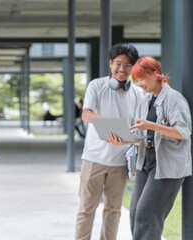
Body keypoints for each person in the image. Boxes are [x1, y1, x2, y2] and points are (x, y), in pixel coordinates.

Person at [108, 56, 192, 240]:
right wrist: (122, 140)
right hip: (146, 162)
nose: (139, 83)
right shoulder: (146, 100)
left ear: (155, 74)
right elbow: (144, 135)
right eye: (136, 80)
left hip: (167, 167)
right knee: (135, 213)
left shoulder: (174, 98)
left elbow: (183, 132)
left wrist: (151, 125)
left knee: (147, 215)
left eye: (141, 78)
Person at [75, 43, 143, 240]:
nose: (122, 69)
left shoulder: (137, 94)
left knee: (113, 211)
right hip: (93, 159)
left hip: (120, 162)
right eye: (118, 64)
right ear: (110, 63)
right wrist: (107, 123)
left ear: (133, 67)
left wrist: (126, 139)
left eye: (128, 65)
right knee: (86, 209)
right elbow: (86, 114)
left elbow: (138, 126)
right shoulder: (96, 85)